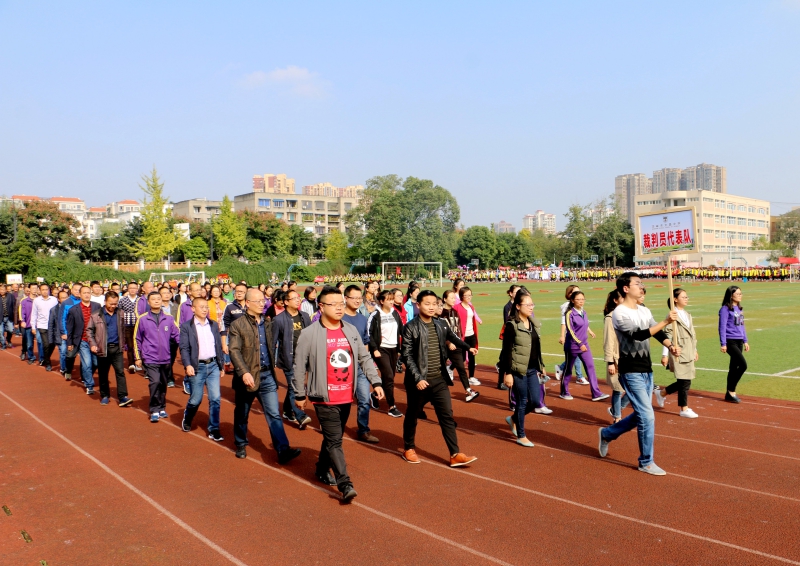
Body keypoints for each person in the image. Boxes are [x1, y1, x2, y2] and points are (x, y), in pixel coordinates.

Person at [292, 286, 385, 502]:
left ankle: (321, 468)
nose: (339, 308)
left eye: (341, 303)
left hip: (346, 395)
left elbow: (363, 357)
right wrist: (299, 393)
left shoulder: (350, 330)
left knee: (332, 437)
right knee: (335, 440)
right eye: (334, 304)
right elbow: (299, 367)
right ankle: (345, 483)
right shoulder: (309, 334)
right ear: (321, 306)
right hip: (323, 396)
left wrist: (376, 381)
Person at [598, 272, 680, 476]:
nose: (641, 286)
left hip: (646, 369)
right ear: (626, 288)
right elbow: (638, 335)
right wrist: (666, 321)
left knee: (642, 415)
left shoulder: (644, 310)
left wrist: (669, 345)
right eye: (637, 283)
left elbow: (656, 331)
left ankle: (607, 434)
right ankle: (646, 461)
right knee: (648, 416)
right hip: (630, 370)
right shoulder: (620, 313)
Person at [400, 290, 478, 468]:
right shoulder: (410, 327)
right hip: (418, 382)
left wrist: (468, 348)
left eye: (434, 303)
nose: (431, 307)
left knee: (447, 417)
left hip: (439, 380)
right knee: (412, 415)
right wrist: (418, 378)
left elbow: (454, 338)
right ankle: (408, 448)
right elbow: (407, 355)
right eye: (427, 303)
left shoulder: (441, 324)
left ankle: (455, 454)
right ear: (418, 305)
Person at [228, 288, 301, 465]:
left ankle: (283, 450)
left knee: (274, 414)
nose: (262, 304)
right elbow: (234, 350)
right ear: (247, 304)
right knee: (242, 412)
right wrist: (244, 372)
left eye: (263, 301)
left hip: (267, 374)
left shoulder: (268, 323)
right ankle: (240, 443)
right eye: (258, 301)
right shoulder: (238, 325)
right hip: (248, 376)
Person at [499, 291, 545, 447]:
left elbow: (537, 347)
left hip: (532, 368)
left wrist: (541, 365)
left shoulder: (533, 323)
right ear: (518, 306)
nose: (531, 307)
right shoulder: (512, 325)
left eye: (532, 304)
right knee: (522, 401)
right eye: (528, 304)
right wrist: (508, 373)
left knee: (534, 400)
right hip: (517, 370)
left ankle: (513, 419)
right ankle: (521, 435)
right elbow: (506, 351)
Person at [179, 297, 225, 441]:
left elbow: (217, 345)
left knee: (215, 398)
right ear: (193, 309)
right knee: (196, 399)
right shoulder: (187, 327)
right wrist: (188, 365)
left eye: (206, 307)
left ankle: (214, 429)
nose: (205, 309)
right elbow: (184, 348)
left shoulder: (213, 324)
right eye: (201, 307)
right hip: (197, 367)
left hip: (213, 366)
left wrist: (221, 364)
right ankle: (188, 417)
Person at [134, 291, 180, 423]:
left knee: (163, 383)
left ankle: (162, 406)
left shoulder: (169, 318)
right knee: (154, 382)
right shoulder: (142, 319)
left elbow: (177, 335)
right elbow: (136, 338)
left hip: (165, 357)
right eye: (153, 299)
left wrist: (185, 347)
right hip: (150, 357)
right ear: (148, 302)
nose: (156, 301)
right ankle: (154, 408)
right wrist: (138, 357)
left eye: (158, 299)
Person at [342, 285, 379, 443]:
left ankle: (363, 430)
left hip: (360, 365)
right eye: (353, 297)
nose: (357, 301)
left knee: (364, 399)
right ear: (345, 298)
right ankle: (335, 426)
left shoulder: (363, 319)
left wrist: (366, 362)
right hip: (343, 367)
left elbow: (365, 343)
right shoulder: (339, 318)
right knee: (343, 401)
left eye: (359, 298)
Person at [271, 289, 313, 429]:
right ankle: (300, 415)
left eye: (298, 297)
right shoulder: (278, 320)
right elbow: (272, 342)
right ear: (286, 302)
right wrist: (271, 362)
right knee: (295, 388)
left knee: (292, 387)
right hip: (289, 359)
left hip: (305, 358)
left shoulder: (305, 316)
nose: (298, 300)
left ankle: (288, 411)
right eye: (294, 298)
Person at [655, 288, 699, 418]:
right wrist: (665, 354)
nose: (686, 299)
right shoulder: (672, 316)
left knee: (686, 380)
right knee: (684, 381)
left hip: (689, 351)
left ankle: (662, 393)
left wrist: (695, 349)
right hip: (678, 352)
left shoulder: (687, 314)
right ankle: (683, 408)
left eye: (687, 297)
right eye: (683, 297)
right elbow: (666, 336)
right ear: (675, 299)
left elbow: (692, 334)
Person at [86, 291, 132, 407]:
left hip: (117, 348)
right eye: (111, 304)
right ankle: (105, 395)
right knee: (103, 373)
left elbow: (123, 329)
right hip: (103, 348)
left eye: (115, 304)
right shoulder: (96, 315)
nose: (113, 306)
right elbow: (89, 330)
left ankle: (123, 396)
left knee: (120, 372)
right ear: (105, 302)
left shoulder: (120, 313)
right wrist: (93, 344)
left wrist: (124, 343)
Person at [560, 291, 608, 402]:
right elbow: (571, 330)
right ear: (572, 300)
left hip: (584, 345)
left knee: (590, 367)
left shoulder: (584, 312)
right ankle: (564, 392)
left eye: (583, 299)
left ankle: (596, 393)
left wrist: (589, 331)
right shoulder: (569, 313)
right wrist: (579, 343)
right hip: (573, 345)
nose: (581, 301)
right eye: (578, 299)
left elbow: (584, 325)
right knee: (568, 369)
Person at [367, 289, 404, 417]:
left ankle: (374, 395)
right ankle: (392, 406)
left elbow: (402, 330)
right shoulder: (375, 315)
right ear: (382, 301)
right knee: (388, 376)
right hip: (381, 349)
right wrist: (374, 349)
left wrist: (403, 347)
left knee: (389, 376)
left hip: (393, 349)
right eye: (388, 299)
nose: (391, 302)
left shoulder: (395, 313)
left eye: (392, 299)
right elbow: (369, 334)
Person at [441, 290, 479, 402]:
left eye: (454, 298)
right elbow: (439, 331)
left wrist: (460, 342)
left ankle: (468, 390)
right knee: (438, 370)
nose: (454, 300)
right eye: (451, 298)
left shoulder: (455, 311)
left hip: (455, 345)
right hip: (443, 347)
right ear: (444, 299)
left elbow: (457, 330)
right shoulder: (441, 313)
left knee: (461, 368)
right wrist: (448, 342)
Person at [65, 286, 102, 394]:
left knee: (95, 363)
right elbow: (70, 327)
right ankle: (89, 385)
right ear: (80, 295)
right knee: (87, 363)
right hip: (82, 340)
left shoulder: (97, 306)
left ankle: (85, 375)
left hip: (95, 340)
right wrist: (69, 342)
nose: (86, 295)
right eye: (84, 293)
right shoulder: (73, 310)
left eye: (88, 293)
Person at [718, 285, 749, 404]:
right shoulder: (725, 309)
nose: (740, 295)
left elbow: (742, 326)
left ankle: (728, 394)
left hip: (739, 340)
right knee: (743, 365)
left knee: (733, 368)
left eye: (741, 293)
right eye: (738, 294)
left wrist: (745, 340)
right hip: (730, 341)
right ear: (731, 296)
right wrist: (723, 343)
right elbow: (722, 327)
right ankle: (731, 391)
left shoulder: (739, 308)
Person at [603, 290, 628, 423]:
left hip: (629, 357)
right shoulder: (610, 318)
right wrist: (610, 362)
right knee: (618, 389)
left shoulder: (628, 315)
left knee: (633, 388)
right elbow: (608, 341)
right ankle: (617, 417)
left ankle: (616, 409)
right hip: (617, 358)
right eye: (622, 298)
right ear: (615, 300)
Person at [453, 286, 481, 387]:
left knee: (472, 356)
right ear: (461, 296)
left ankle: (471, 377)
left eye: (470, 295)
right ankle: (450, 368)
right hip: (462, 336)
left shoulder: (471, 307)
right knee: (462, 357)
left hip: (471, 334)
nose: (469, 297)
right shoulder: (457, 307)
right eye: (466, 295)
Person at [30, 283, 57, 370]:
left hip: (52, 326)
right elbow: (34, 314)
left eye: (46, 289)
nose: (45, 291)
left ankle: (46, 358)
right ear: (40, 291)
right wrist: (33, 326)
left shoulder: (54, 299)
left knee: (52, 344)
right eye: (43, 290)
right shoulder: (37, 301)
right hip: (42, 325)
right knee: (46, 344)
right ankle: (48, 364)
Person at [221, 283, 247, 373]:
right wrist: (224, 344)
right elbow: (224, 325)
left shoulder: (251, 306)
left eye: (242, 291)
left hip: (250, 341)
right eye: (237, 291)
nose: (239, 293)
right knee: (239, 367)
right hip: (235, 341)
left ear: (246, 293)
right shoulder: (229, 307)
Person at [118, 281, 143, 373]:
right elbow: (119, 312)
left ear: (137, 289)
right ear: (127, 289)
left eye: (134, 288)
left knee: (140, 344)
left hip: (139, 325)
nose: (132, 290)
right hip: (127, 325)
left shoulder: (141, 300)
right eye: (130, 288)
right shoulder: (122, 300)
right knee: (130, 345)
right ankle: (131, 364)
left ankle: (139, 362)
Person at [47, 290, 69, 377]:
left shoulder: (72, 308)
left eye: (66, 297)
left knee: (70, 354)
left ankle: (68, 367)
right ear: (58, 299)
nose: (65, 299)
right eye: (62, 298)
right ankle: (64, 369)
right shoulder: (53, 310)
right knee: (63, 352)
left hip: (71, 334)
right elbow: (51, 324)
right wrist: (50, 339)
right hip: (60, 335)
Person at [18, 284, 35, 363]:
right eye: (33, 288)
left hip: (40, 325)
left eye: (36, 288)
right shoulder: (24, 300)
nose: (34, 290)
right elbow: (22, 312)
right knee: (28, 343)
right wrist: (22, 321)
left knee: (43, 343)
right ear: (29, 289)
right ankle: (30, 356)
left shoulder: (40, 300)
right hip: (28, 325)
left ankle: (43, 358)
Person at [0, 284, 17, 350]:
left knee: (10, 330)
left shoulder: (11, 296)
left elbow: (14, 307)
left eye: (3, 290)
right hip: (0, 318)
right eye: (0, 289)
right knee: (0, 332)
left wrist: (15, 319)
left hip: (9, 317)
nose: (2, 291)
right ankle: (3, 344)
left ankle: (8, 339)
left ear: (6, 290)